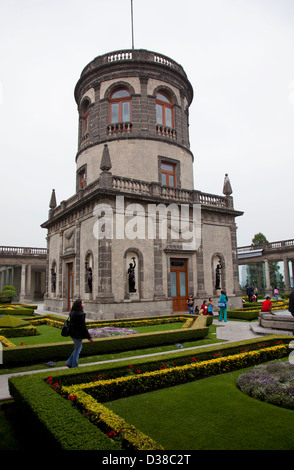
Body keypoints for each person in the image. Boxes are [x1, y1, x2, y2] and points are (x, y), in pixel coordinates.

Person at [66, 299, 93, 368]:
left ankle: (69, 362)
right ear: (79, 305)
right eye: (83, 303)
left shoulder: (73, 312)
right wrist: (89, 337)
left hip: (72, 333)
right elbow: (83, 327)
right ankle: (74, 365)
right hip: (77, 334)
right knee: (77, 350)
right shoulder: (81, 314)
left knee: (78, 348)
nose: (84, 305)